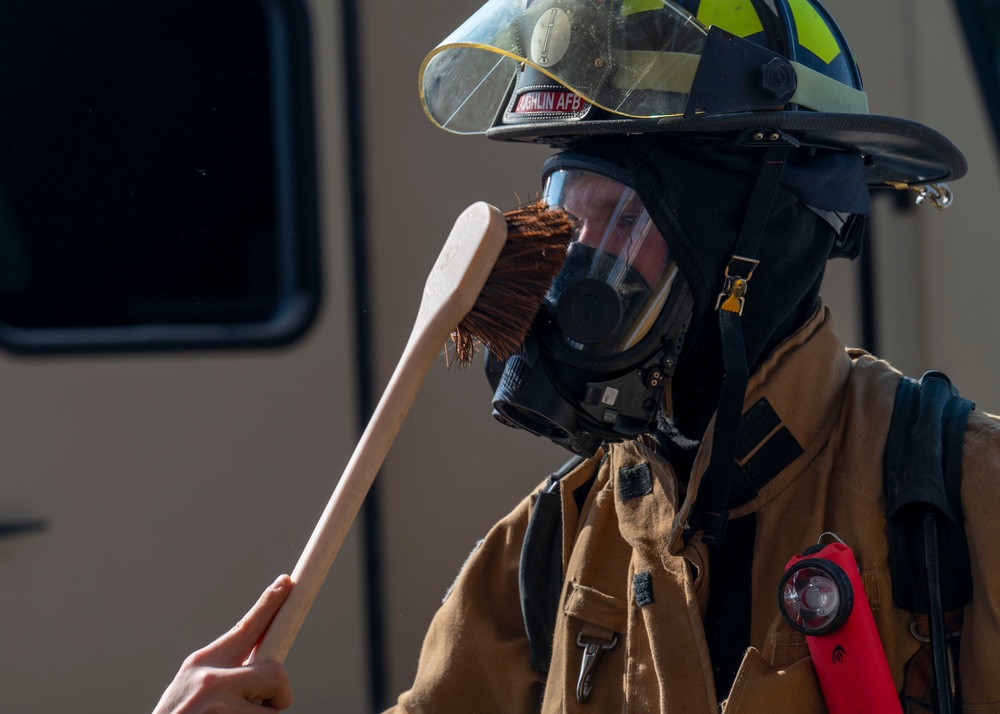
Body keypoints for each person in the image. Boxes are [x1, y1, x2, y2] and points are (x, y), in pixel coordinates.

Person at [156, 0, 1000, 711]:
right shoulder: (549, 547)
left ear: (757, 242)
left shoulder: (959, 502)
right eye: (568, 211)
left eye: (620, 218)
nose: (576, 262)